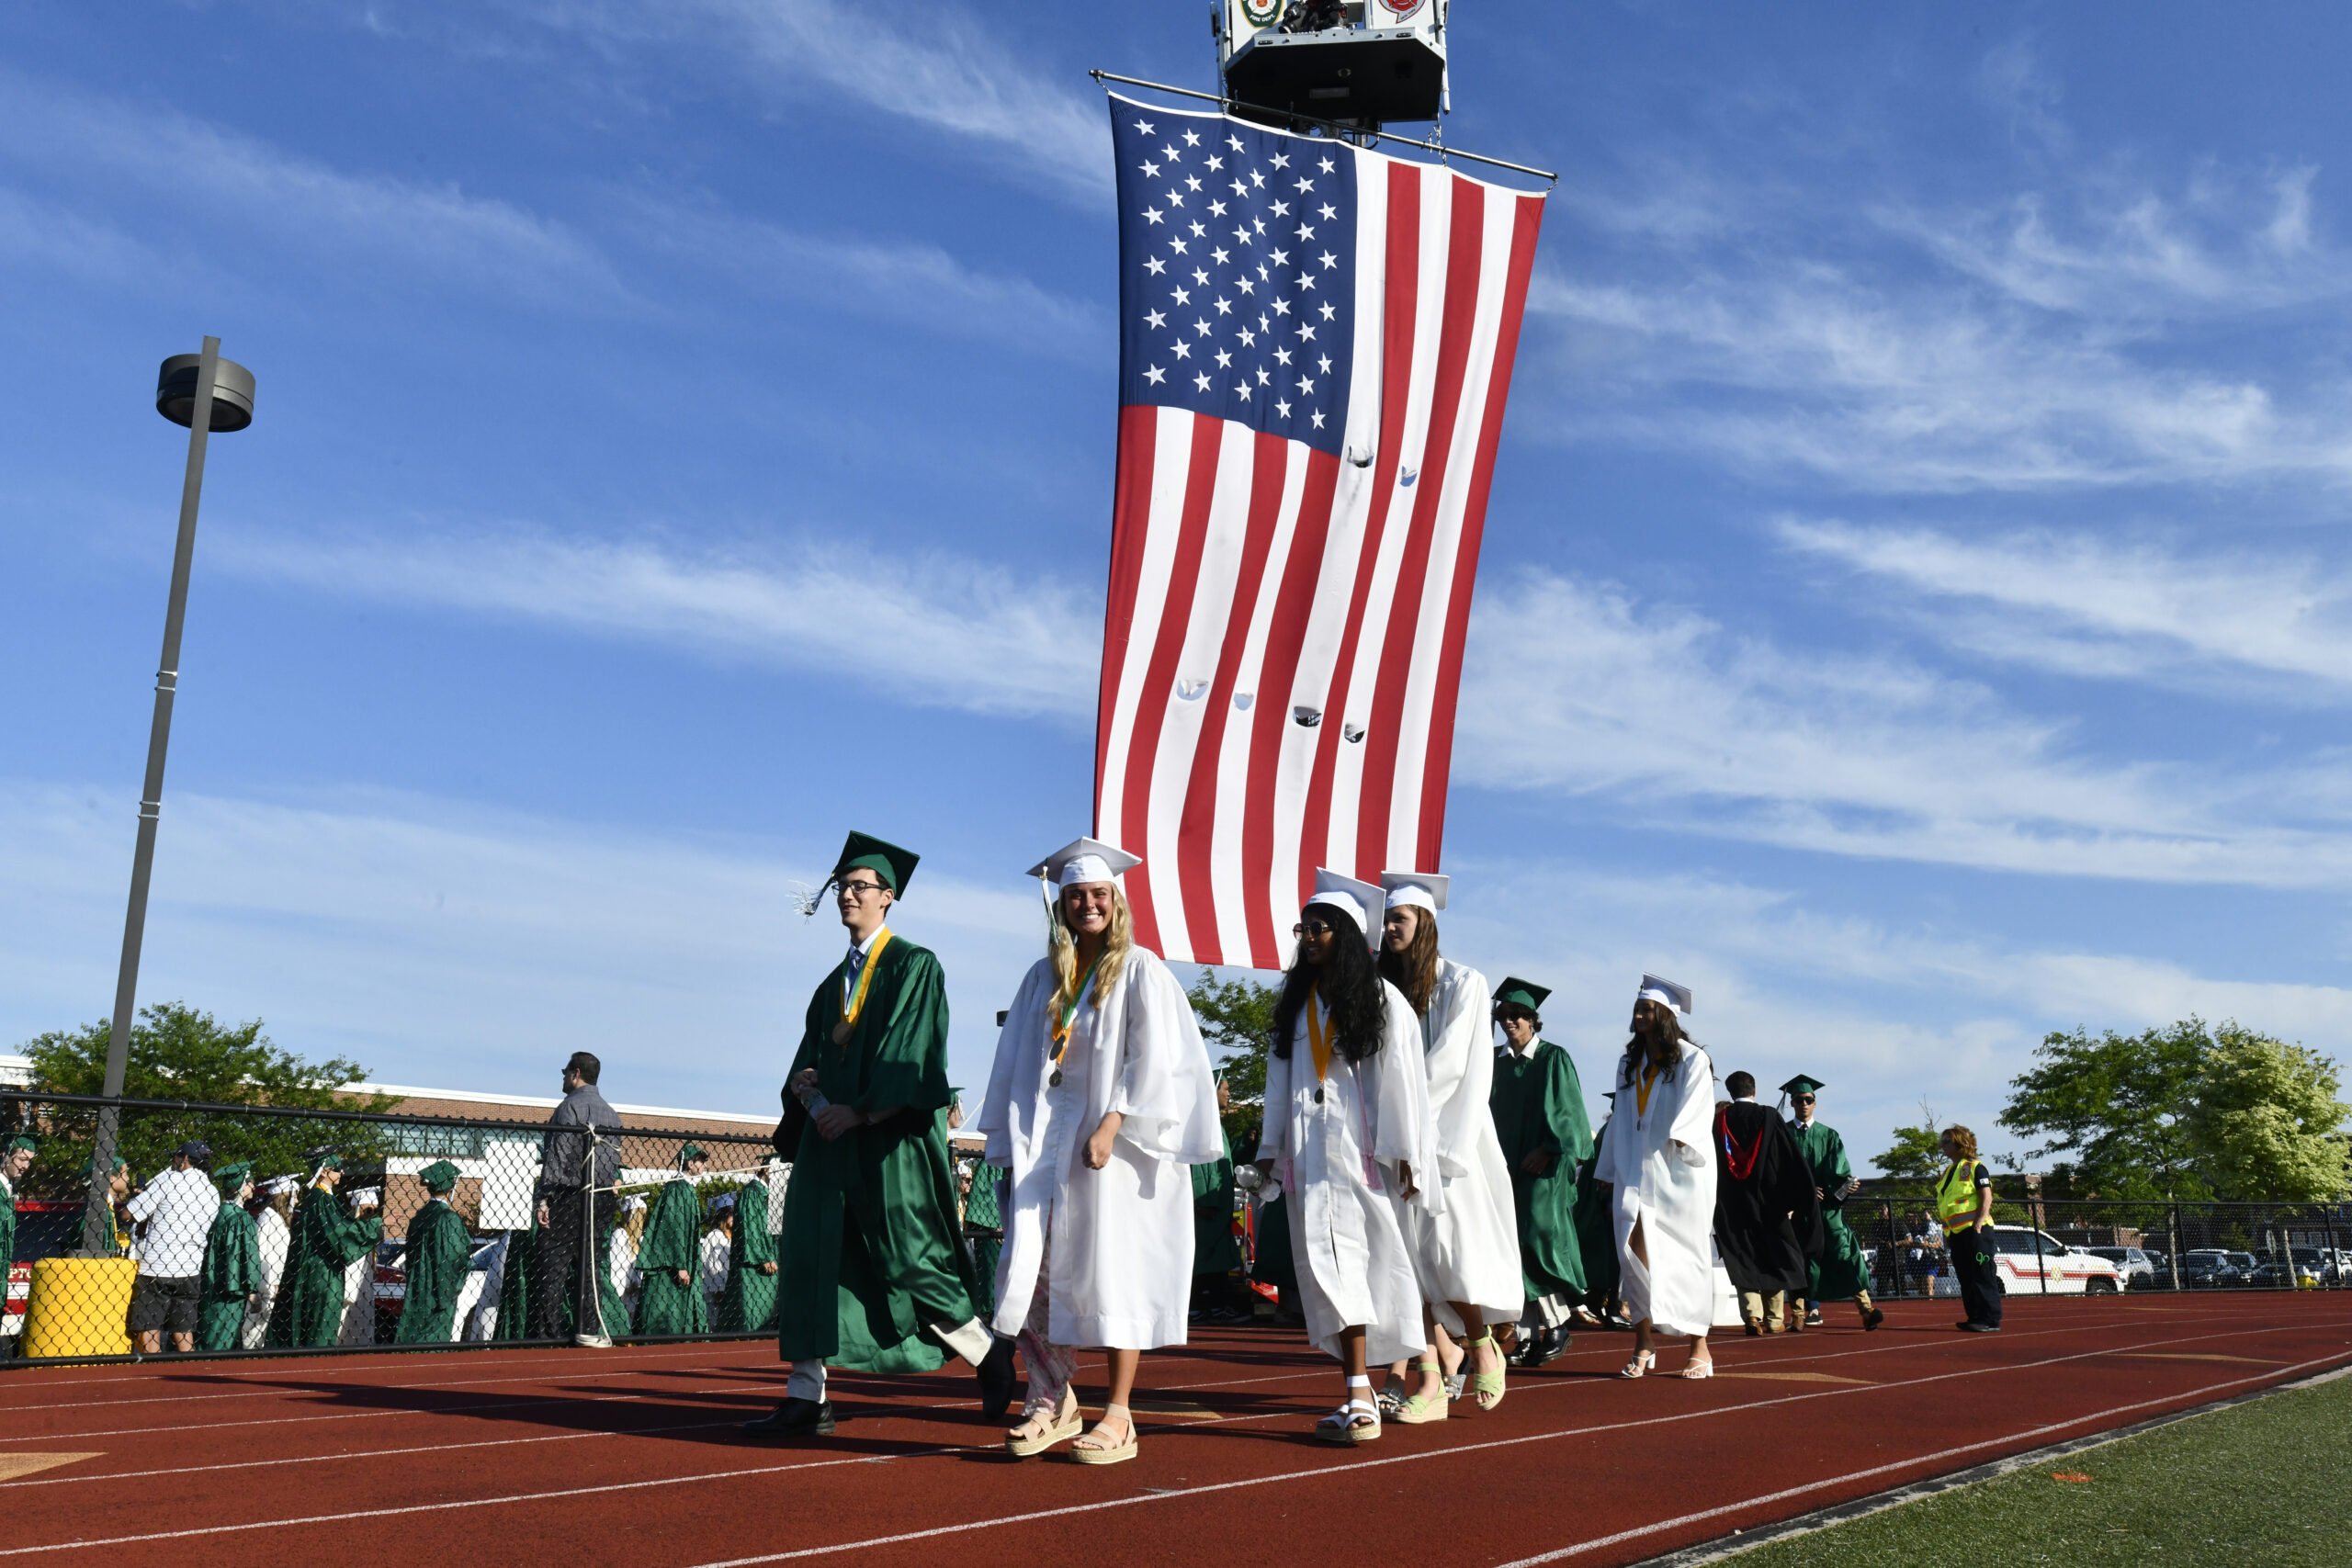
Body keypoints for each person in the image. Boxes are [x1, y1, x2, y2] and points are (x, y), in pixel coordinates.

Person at [747, 831, 1009, 1439]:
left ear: (888, 896)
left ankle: (985, 1350)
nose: (847, 894)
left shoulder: (914, 966)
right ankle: (806, 1396)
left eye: (860, 886)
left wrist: (859, 1111)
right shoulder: (826, 988)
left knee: (910, 1255)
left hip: (888, 1142)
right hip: (828, 1141)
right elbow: (804, 1064)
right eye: (842, 885)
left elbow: (912, 1055)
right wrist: (808, 1094)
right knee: (814, 1256)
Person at [978, 837, 1224, 1465]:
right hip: (1045, 1150)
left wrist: (1114, 1122)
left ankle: (1119, 1412)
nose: (1088, 903)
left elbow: (1157, 1060)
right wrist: (1005, 1140)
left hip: (1114, 1153)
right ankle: (1051, 1398)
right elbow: (1014, 1064)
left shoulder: (1141, 970)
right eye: (1076, 895)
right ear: (1060, 906)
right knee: (1035, 1273)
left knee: (1116, 1274)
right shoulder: (1043, 978)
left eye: (1098, 894)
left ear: (1116, 901)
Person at [1251, 869, 1436, 1445]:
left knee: (1359, 1271)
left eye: (1320, 927)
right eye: (1304, 927)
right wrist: (1268, 1152)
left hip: (1363, 1160)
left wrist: (1404, 1153)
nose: (1308, 936)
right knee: (1328, 1274)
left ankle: (1362, 1391)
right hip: (1310, 1161)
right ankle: (1357, 1387)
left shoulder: (1383, 1002)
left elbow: (1403, 1083)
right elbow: (1278, 1085)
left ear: (1349, 934)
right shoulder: (1298, 1006)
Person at [1377, 871, 1518, 1419]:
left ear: (1425, 922)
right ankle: (1430, 1375)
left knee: (1445, 1249)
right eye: (1387, 919)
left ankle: (1482, 1346)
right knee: (1404, 1257)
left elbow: (1454, 1062)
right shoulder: (1382, 986)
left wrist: (1404, 1111)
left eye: (1399, 919)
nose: (1390, 927)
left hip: (1446, 1132)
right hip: (1393, 1133)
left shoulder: (1465, 982)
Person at [1595, 976, 1718, 1380]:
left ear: (1665, 1016)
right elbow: (1620, 1121)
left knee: (1686, 1255)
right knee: (1631, 1253)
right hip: (1634, 1169)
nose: (1638, 1014)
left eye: (1646, 1009)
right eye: (1637, 1008)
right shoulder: (1629, 1064)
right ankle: (1643, 1341)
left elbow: (1698, 1108)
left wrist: (1681, 1138)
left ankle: (1699, 1346)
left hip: (1679, 1172)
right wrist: (1609, 1169)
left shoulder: (1691, 1060)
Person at [1487, 976, 1593, 1371]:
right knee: (1510, 1245)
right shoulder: (1495, 1061)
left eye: (1517, 1015)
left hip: (1543, 1169)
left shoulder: (1553, 1058)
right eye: (1504, 1015)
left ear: (1533, 1019)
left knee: (1539, 1239)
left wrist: (1548, 1150)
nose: (1510, 1021)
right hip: (1505, 1167)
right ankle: (1528, 1335)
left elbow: (1568, 1116)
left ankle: (1558, 1324)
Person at [1711, 1073, 1818, 1335]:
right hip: (1768, 1202)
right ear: (1754, 1091)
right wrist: (1794, 1198)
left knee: (1742, 1256)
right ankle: (1773, 1319)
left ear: (1730, 1090)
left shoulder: (1719, 1121)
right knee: (1774, 1255)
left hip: (1732, 1204)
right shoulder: (1769, 1116)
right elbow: (1788, 1159)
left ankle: (1751, 1317)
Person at [1779, 1076, 1884, 1331]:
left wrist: (1847, 1185)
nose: (1804, 1103)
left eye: (1809, 1100)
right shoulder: (1783, 1134)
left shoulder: (1829, 1135)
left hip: (1827, 1211)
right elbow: (1777, 1173)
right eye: (1799, 1100)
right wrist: (1802, 1191)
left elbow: (1840, 1173)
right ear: (1791, 1103)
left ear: (1815, 1103)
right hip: (1798, 1211)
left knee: (1845, 1255)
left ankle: (1866, 1310)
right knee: (1800, 1262)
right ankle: (1798, 1316)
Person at [534, 1051, 623, 1348]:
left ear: (575, 1074)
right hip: (600, 1199)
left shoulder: (567, 1108)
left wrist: (544, 1200)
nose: (562, 1078)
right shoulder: (611, 1114)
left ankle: (549, 1335)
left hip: (567, 1195)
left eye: (564, 1073)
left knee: (553, 1270)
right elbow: (610, 1164)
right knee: (591, 1269)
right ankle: (586, 1330)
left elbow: (557, 1157)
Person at [266, 1155, 382, 1348]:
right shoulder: (322, 1199)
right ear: (325, 1171)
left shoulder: (316, 1198)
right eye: (337, 1168)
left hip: (314, 1269)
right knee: (320, 1330)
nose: (342, 1172)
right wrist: (377, 1225)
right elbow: (342, 1231)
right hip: (323, 1272)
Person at [126, 1141, 220, 1355]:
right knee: (184, 1329)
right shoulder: (212, 1191)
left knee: (149, 1327)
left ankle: (151, 1370)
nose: (174, 1160)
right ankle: (189, 1368)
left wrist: (143, 1200)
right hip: (190, 1267)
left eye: (177, 1156)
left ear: (185, 1159)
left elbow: (128, 1214)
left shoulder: (169, 1181)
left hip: (157, 1266)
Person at [1190, 1070, 1247, 1325]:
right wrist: (1203, 1199)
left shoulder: (1214, 1123)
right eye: (1224, 1088)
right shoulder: (1201, 1123)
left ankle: (1217, 1306)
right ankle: (1198, 1306)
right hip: (1208, 1208)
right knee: (1203, 1258)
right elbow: (1199, 1164)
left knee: (1218, 1259)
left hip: (1218, 1209)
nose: (1229, 1093)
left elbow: (1224, 1159)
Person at [635, 1146, 712, 1336]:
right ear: (690, 1163)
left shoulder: (685, 1188)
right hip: (674, 1265)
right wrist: (680, 1264)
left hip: (685, 1261)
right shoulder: (678, 1189)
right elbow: (673, 1228)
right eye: (701, 1162)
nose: (705, 1166)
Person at [394, 1161, 472, 1344]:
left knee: (413, 1333)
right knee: (434, 1338)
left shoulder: (419, 1217)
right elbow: (455, 1255)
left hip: (417, 1282)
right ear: (451, 1186)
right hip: (438, 1287)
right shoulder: (448, 1218)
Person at [1937, 1125, 2000, 1332]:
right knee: (1966, 1277)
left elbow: (1986, 1197)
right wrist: (1947, 1233)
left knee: (1982, 1274)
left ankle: (1990, 1320)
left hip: (1976, 1232)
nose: (1942, 1145)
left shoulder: (1975, 1167)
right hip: (1956, 1234)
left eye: (1947, 1141)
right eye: (1942, 1141)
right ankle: (1975, 1317)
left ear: (1959, 1143)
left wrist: (1978, 1225)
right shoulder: (1948, 1172)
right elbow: (1947, 1205)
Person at [196, 1162, 261, 1351]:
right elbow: (249, 1256)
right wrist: (253, 1290)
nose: (253, 1187)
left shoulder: (214, 1214)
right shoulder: (242, 1218)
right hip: (232, 1291)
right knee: (225, 1340)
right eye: (250, 1183)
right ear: (241, 1185)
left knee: (207, 1332)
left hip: (209, 1285)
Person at [1570, 1095, 1623, 1328]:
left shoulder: (1606, 1129)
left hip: (1594, 1201)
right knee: (1611, 1258)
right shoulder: (1616, 1129)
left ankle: (1599, 1304)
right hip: (1603, 1202)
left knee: (1604, 1258)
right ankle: (1610, 1308)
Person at [717, 1171, 781, 1332]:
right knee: (751, 1314)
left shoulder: (771, 1193)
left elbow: (776, 1230)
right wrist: (763, 1257)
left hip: (772, 1261)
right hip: (755, 1266)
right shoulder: (751, 1192)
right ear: (766, 1170)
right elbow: (750, 1228)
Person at [243, 1176, 300, 1348]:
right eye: (295, 1195)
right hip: (266, 1286)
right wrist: (271, 1283)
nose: (297, 1200)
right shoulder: (269, 1220)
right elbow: (262, 1255)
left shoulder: (277, 1219)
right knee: (254, 1331)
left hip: (274, 1285)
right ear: (285, 1197)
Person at [609, 1194, 650, 1322]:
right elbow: (615, 1266)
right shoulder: (620, 1235)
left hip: (632, 1294)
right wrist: (629, 1284)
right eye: (641, 1215)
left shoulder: (638, 1240)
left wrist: (636, 1282)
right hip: (620, 1294)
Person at [0, 1136, 34, 1271]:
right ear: (4, 1156)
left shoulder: (8, 1191)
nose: (25, 1167)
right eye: (22, 1160)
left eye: (29, 1161)